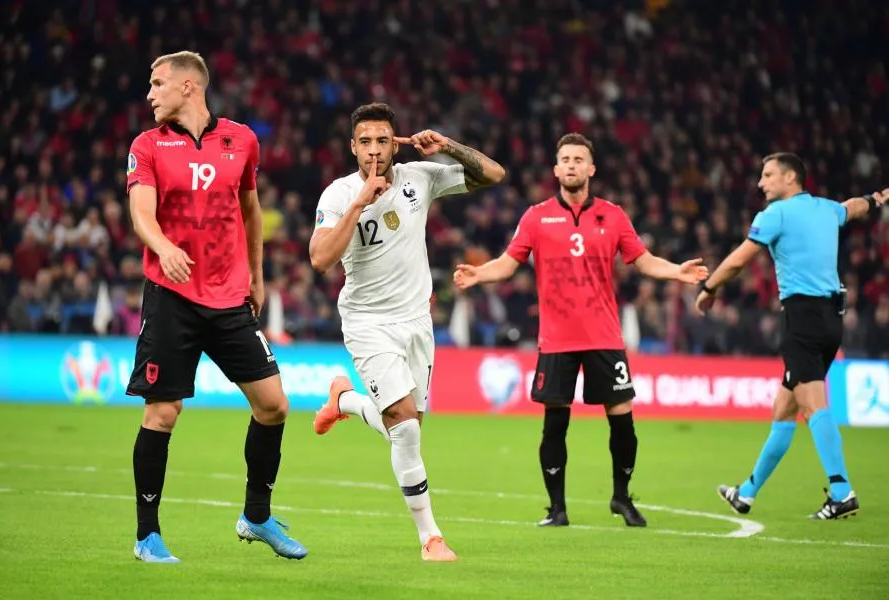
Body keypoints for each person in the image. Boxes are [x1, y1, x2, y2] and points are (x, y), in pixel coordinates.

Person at [453, 133, 709, 528]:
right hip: (557, 339)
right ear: (556, 169)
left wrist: (676, 271)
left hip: (605, 336)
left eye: (578, 159)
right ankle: (557, 510)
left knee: (622, 419)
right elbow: (508, 262)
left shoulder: (613, 215)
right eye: (565, 159)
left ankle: (622, 498)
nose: (571, 165)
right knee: (555, 423)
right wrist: (479, 274)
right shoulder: (536, 217)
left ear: (591, 169)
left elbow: (641, 260)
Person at [126, 51, 306, 563]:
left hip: (229, 297)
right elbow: (141, 211)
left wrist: (257, 275)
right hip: (171, 298)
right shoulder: (147, 145)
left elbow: (250, 210)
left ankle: (256, 516)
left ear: (188, 86)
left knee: (274, 405)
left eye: (158, 83)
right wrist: (163, 247)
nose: (150, 93)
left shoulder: (242, 140)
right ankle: (147, 535)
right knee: (163, 412)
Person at [309, 102, 505, 561]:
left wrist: (447, 146)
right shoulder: (339, 194)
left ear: (394, 143)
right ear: (352, 147)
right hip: (367, 323)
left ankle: (347, 402)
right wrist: (362, 202)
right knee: (406, 429)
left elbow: (493, 175)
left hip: (417, 322)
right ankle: (430, 538)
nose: (374, 151)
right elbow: (319, 260)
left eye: (383, 140)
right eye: (365, 142)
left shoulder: (420, 175)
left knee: (407, 425)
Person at [696, 152, 887, 519]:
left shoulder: (775, 215)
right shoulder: (827, 209)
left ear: (790, 179)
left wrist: (709, 287)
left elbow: (739, 260)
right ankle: (746, 493)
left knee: (814, 404)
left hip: (801, 317)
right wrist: (876, 199)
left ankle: (842, 491)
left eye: (768, 175)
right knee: (785, 408)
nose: (760, 182)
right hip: (832, 319)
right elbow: (854, 208)